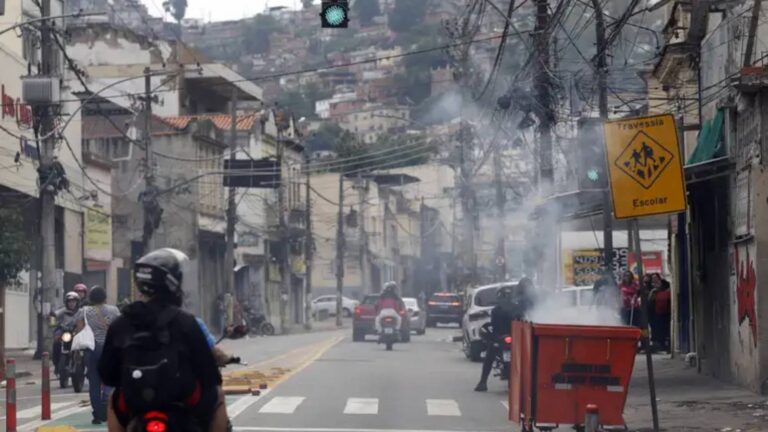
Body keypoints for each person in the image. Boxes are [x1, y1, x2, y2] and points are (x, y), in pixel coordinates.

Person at [99, 248, 226, 432]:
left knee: (113, 399)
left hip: (136, 403)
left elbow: (107, 373)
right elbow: (209, 373)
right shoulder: (186, 322)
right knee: (218, 395)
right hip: (182, 403)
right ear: (173, 283)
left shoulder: (122, 323)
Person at [74, 286, 120, 424]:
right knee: (109, 380)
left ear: (90, 298)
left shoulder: (84, 311)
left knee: (94, 383)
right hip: (110, 350)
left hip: (92, 350)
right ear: (105, 297)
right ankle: (107, 402)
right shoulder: (114, 310)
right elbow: (119, 328)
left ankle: (98, 414)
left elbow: (80, 330)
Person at [475, 283, 527, 392]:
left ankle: (483, 382)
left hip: (501, 338)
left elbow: (494, 326)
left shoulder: (496, 310)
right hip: (513, 339)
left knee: (489, 358)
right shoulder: (516, 308)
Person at [52, 291, 81, 375]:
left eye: (73, 301)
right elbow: (54, 315)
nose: (71, 303)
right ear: (66, 302)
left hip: (77, 333)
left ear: (77, 302)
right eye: (69, 302)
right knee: (56, 344)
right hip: (64, 332)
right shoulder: (63, 310)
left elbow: (88, 317)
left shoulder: (81, 311)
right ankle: (57, 365)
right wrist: (52, 322)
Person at [649, 277, 671, 352]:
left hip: (666, 314)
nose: (657, 285)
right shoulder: (655, 292)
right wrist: (652, 292)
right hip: (657, 314)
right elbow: (650, 301)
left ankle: (666, 345)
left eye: (659, 283)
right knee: (658, 330)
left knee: (665, 331)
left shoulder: (667, 292)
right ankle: (660, 345)